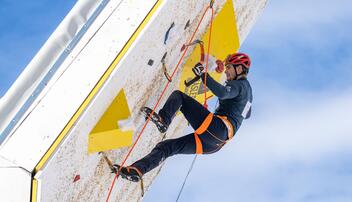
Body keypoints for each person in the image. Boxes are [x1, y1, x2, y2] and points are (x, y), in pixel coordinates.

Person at [114, 53, 253, 182]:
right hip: (213, 145)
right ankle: (137, 170)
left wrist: (203, 75)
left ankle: (164, 119)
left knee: (179, 96)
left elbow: (222, 93)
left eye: (228, 67)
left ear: (239, 68)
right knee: (167, 147)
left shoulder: (240, 85)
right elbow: (247, 114)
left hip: (217, 129)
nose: (226, 71)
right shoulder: (248, 94)